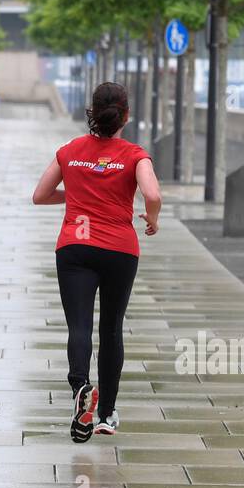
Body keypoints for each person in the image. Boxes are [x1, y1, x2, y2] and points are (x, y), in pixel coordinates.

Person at [32, 82, 162, 441]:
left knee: (79, 327)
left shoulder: (70, 151)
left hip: (75, 247)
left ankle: (80, 387)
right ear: (126, 115)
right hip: (119, 249)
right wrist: (153, 219)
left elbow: (40, 195)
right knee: (111, 329)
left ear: (92, 112)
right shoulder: (135, 155)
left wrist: (75, 193)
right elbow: (152, 193)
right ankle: (105, 414)